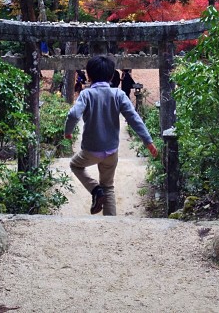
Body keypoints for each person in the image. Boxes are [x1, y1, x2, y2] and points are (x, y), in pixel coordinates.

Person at [64, 55, 158, 216]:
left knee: (75, 165)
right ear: (111, 76)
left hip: (90, 150)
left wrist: (68, 132)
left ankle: (95, 189)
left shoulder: (86, 95)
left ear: (88, 75)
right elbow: (134, 118)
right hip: (111, 151)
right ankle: (112, 223)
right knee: (108, 187)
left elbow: (73, 115)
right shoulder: (118, 95)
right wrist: (148, 141)